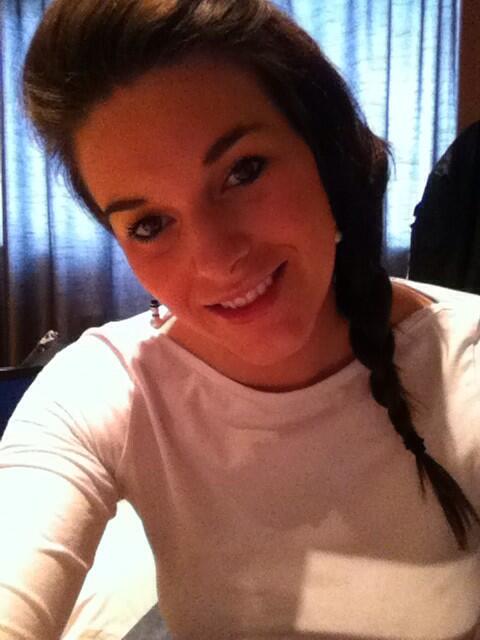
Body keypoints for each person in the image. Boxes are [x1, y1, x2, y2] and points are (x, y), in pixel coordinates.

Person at [1, 0, 480, 638]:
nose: (216, 260)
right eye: (150, 224)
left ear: (327, 157)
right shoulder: (106, 387)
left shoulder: (466, 365)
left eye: (242, 172)